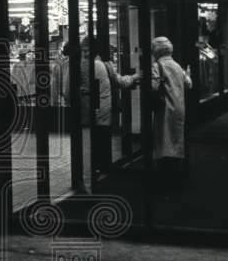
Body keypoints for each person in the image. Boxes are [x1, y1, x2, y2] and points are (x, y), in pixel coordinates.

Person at [82, 36, 141, 179]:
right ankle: (102, 169)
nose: (84, 52)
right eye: (83, 49)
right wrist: (135, 77)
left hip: (89, 109)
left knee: (93, 140)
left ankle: (95, 169)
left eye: (85, 49)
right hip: (103, 108)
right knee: (102, 138)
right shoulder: (105, 65)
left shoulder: (79, 65)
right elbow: (120, 81)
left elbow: (68, 89)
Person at [149, 36, 193, 192]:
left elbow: (153, 87)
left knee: (163, 140)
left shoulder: (157, 66)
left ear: (156, 50)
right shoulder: (176, 65)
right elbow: (188, 84)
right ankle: (177, 176)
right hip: (179, 108)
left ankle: (164, 179)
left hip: (165, 108)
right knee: (176, 139)